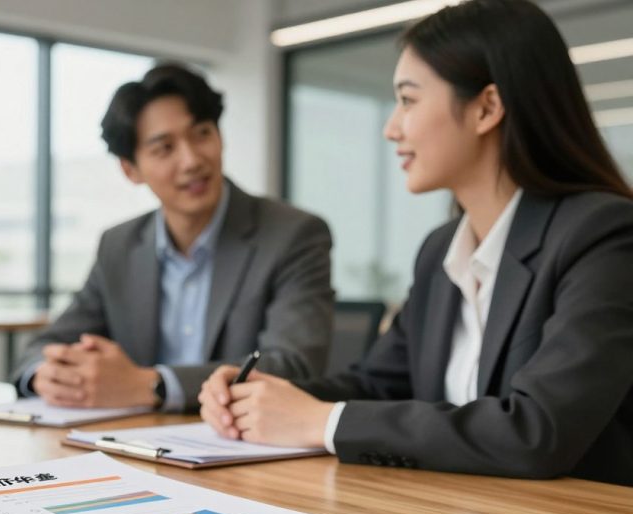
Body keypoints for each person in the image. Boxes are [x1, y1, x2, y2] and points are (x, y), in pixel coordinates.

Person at [200, 0, 633, 486]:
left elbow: (539, 431)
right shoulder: (441, 250)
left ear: (487, 108)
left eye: (408, 100)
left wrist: (318, 421)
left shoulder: (603, 235)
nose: (392, 128)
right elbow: (378, 385)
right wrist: (261, 395)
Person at [13, 63, 334, 412]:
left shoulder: (293, 235)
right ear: (130, 169)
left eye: (202, 133)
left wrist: (152, 386)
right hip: (138, 441)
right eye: (164, 148)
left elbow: (294, 365)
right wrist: (46, 373)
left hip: (239, 445)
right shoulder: (119, 245)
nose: (192, 160)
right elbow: (46, 344)